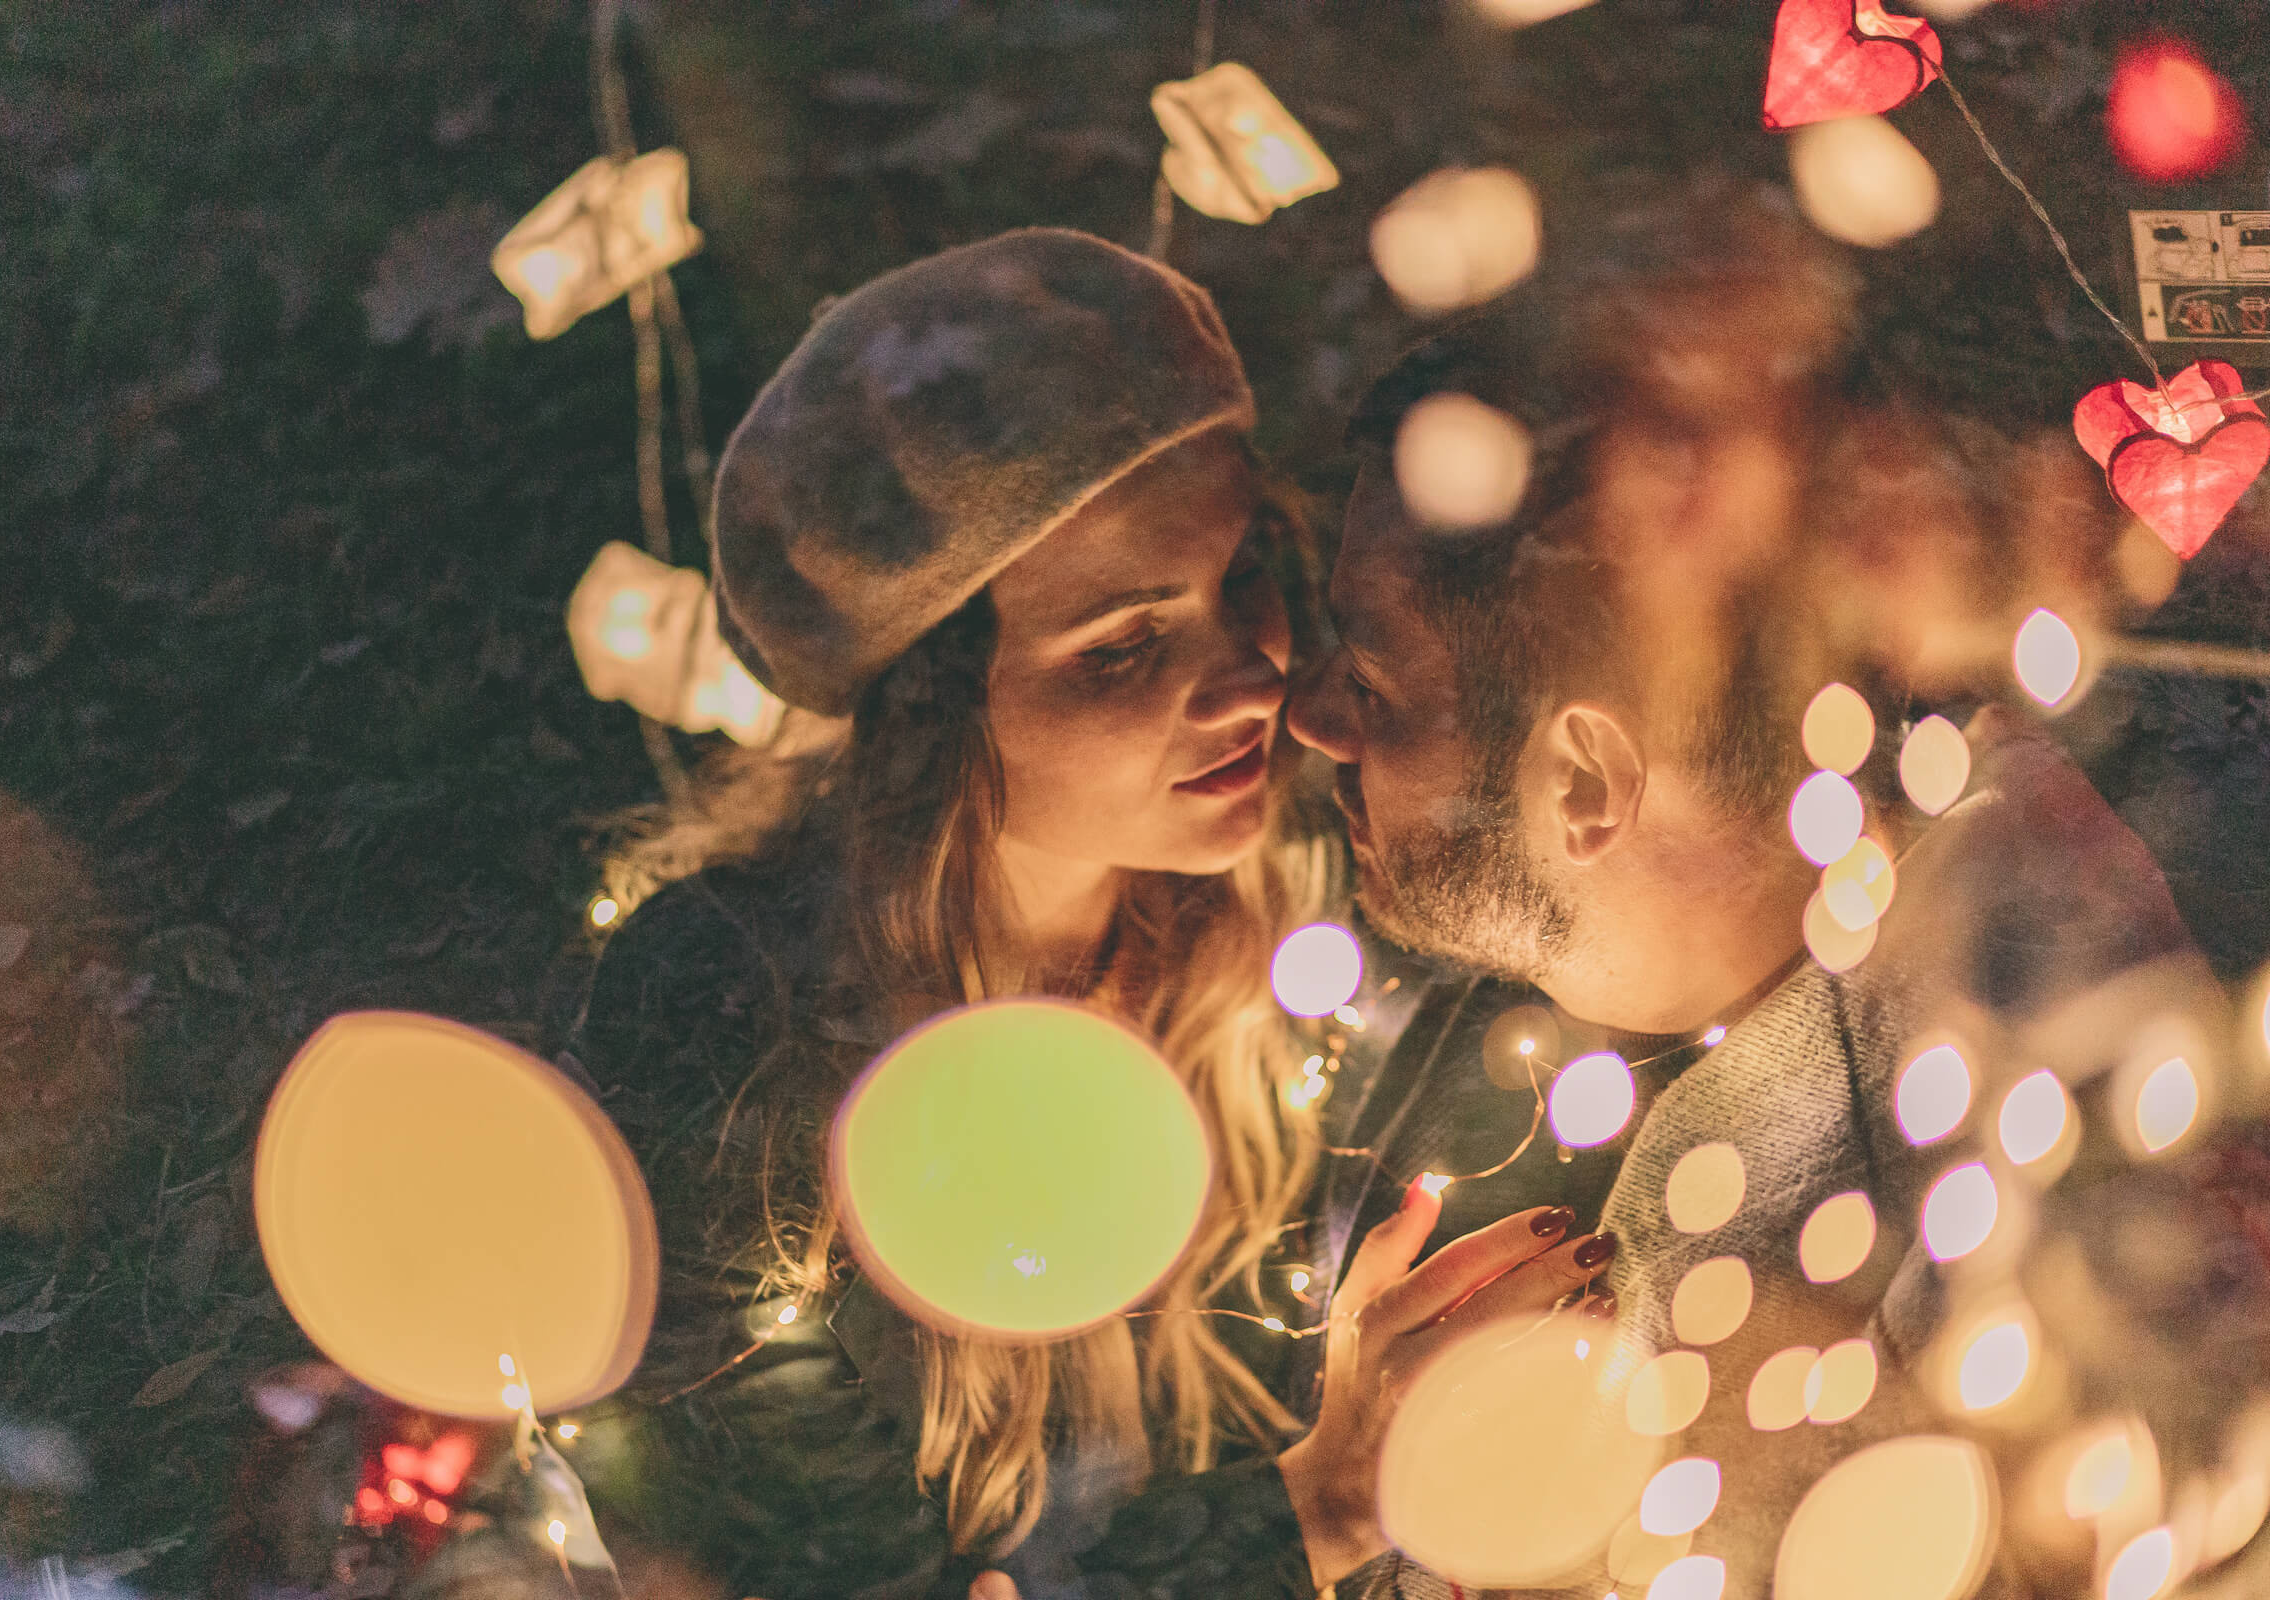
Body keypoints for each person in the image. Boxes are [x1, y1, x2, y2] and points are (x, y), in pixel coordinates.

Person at [540, 230, 1610, 1600]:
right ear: (931, 712)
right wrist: (1325, 1504)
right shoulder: (728, 1016)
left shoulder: (1298, 928)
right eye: (1122, 646)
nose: (1250, 680)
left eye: (1246, 581)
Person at [1276, 199, 2264, 1598]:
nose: (1312, 718)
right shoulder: (1782, 1008)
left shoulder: (2011, 1072)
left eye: (1373, 680)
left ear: (1584, 783)